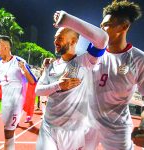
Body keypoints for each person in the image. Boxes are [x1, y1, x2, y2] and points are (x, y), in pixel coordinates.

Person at [84, 1, 144, 149]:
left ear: (124, 27)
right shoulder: (92, 55)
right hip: (87, 123)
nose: (101, 29)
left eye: (107, 25)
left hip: (117, 128)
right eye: (101, 25)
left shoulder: (140, 59)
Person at [35, 10, 108, 150]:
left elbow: (102, 39)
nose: (55, 42)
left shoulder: (86, 61)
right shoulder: (51, 65)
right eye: (55, 38)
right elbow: (38, 90)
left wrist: (68, 20)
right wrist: (58, 85)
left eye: (60, 38)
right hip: (48, 127)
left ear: (73, 41)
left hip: (73, 131)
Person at [0, 35, 36, 150]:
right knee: (6, 130)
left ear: (6, 46)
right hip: (5, 102)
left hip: (16, 102)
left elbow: (32, 81)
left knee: (8, 132)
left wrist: (24, 70)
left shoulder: (19, 61)